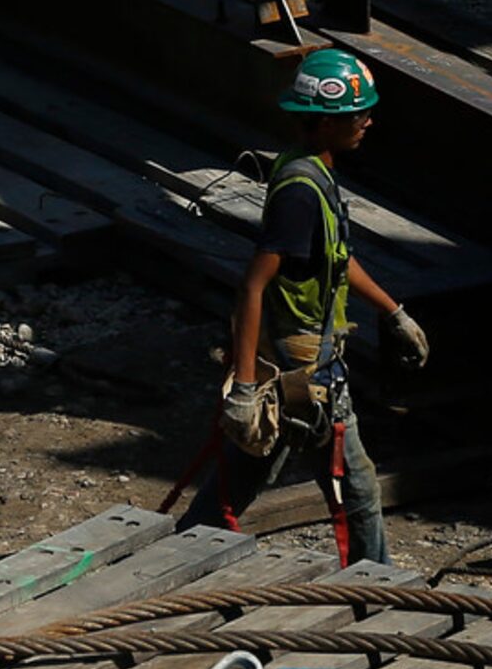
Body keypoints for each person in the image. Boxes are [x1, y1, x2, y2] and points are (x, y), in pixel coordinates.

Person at [177, 48, 429, 565]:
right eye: (357, 115)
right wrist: (245, 390)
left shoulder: (310, 170)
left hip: (306, 358)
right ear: (325, 122)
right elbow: (251, 287)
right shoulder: (300, 192)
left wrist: (392, 311)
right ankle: (378, 585)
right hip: (304, 365)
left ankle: (180, 545)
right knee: (357, 488)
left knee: (251, 465)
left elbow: (335, 259)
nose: (367, 122)